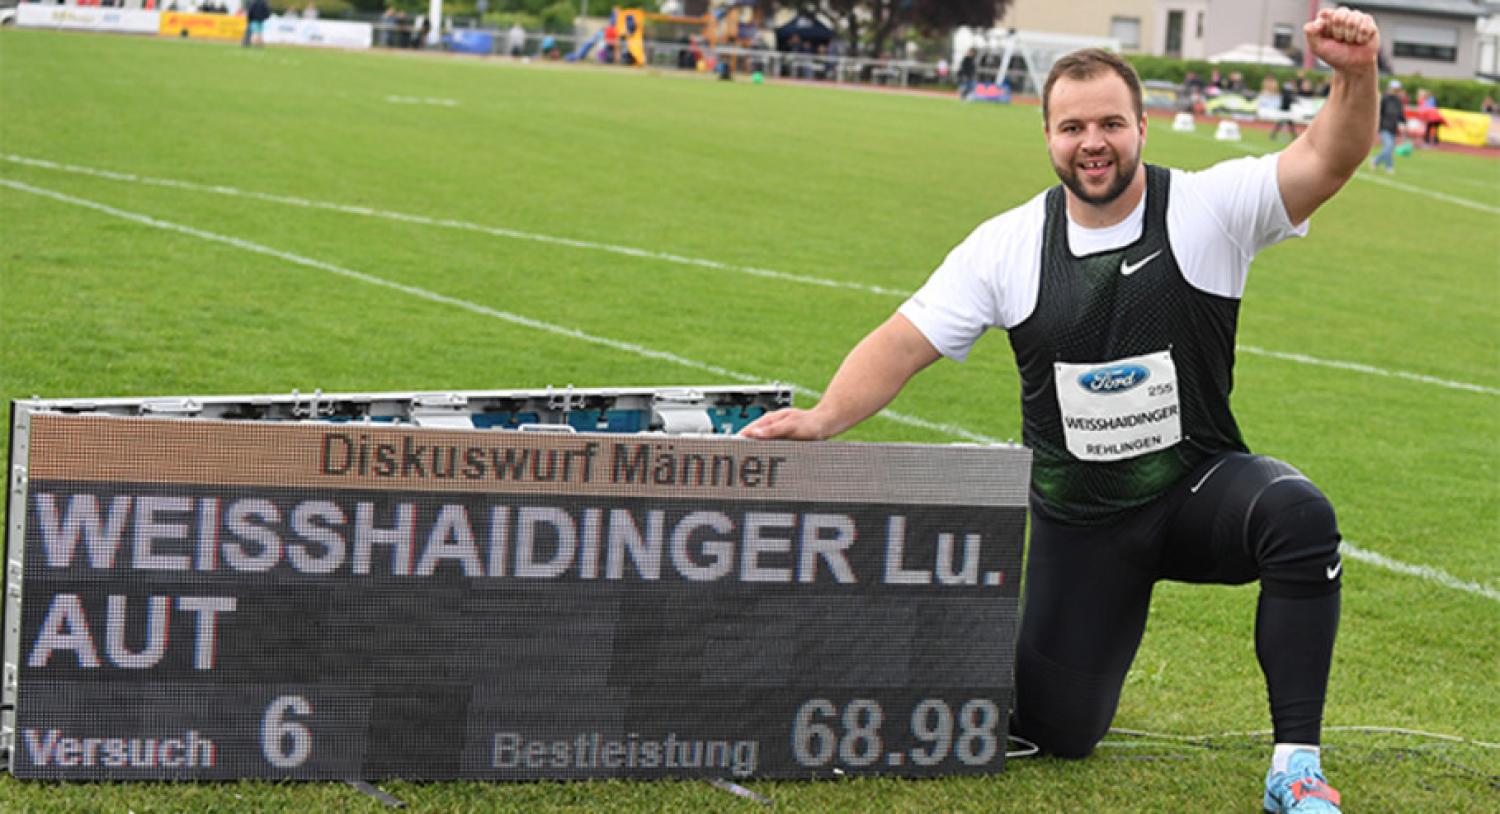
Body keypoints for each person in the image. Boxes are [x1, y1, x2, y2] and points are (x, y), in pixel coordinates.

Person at [744, 7, 1382, 812]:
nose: (1093, 143)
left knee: (1297, 515)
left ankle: (1295, 768)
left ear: (1142, 126)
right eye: (1073, 127)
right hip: (1083, 525)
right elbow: (904, 341)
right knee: (1059, 730)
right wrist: (824, 418)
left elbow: (1329, 155)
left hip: (1193, 491)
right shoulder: (1006, 244)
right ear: (1047, 136)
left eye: (1111, 123)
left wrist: (1355, 73)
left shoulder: (1209, 207)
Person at [1372, 78, 1404, 173]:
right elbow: (1379, 112)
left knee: (1390, 148)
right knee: (1389, 146)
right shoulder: (1385, 99)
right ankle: (1381, 162)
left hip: (1393, 127)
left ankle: (1385, 165)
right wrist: (1378, 126)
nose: (1396, 91)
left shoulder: (1398, 101)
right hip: (1384, 126)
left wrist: (1403, 122)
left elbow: (1400, 114)